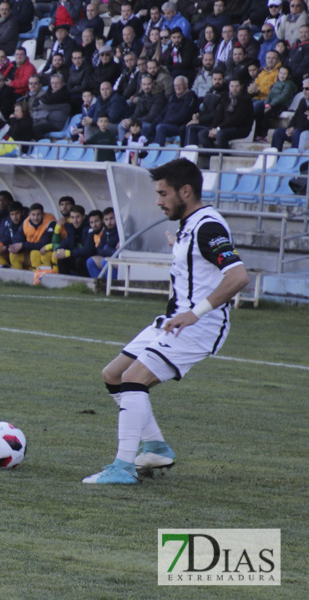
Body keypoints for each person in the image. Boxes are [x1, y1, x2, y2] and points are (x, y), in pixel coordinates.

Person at [84, 159, 250, 484]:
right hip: (173, 321)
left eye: (163, 193)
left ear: (185, 191)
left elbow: (239, 276)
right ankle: (157, 447)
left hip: (196, 326)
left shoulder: (207, 226)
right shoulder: (190, 225)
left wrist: (194, 313)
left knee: (133, 379)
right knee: (114, 375)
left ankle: (123, 467)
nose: (158, 201)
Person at [87, 206, 120, 279]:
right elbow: (99, 249)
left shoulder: (120, 230)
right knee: (90, 261)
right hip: (109, 256)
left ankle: (114, 286)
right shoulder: (105, 231)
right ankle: (100, 286)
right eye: (106, 219)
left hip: (119, 259)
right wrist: (107, 249)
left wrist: (107, 249)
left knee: (105, 262)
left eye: (111, 218)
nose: (109, 222)